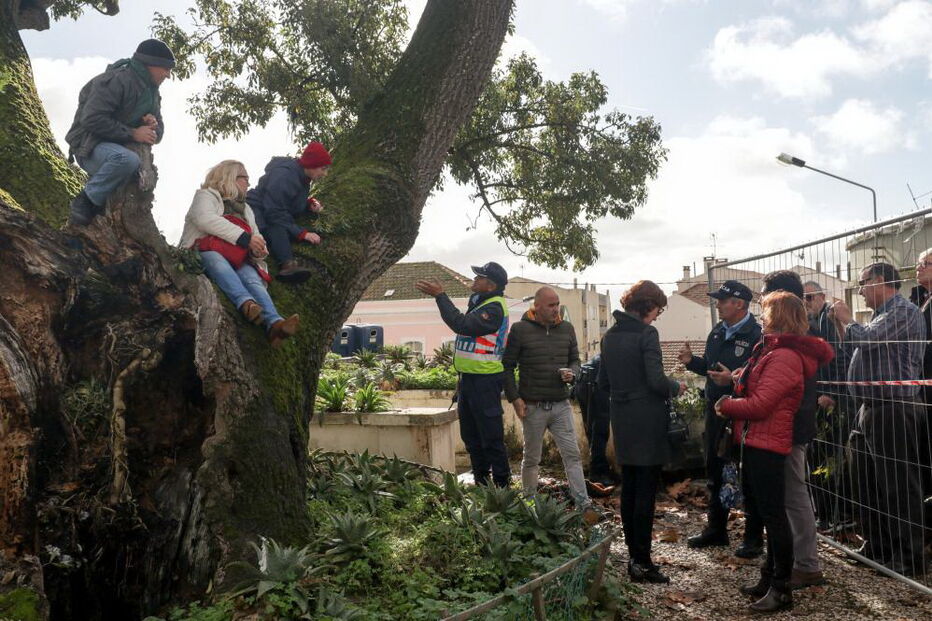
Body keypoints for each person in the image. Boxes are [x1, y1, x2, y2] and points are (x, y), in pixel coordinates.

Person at [718, 291, 833, 613]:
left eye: (765, 311)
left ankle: (781, 588)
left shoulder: (784, 356)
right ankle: (770, 578)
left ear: (777, 316)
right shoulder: (773, 350)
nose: (761, 317)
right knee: (769, 514)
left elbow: (762, 403)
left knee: (776, 516)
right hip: (759, 440)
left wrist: (725, 406)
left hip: (770, 442)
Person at [830, 263, 926, 577]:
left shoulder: (904, 311)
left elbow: (868, 340)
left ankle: (908, 557)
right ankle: (878, 546)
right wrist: (845, 326)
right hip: (869, 408)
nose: (859, 290)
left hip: (893, 408)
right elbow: (860, 343)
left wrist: (847, 320)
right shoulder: (880, 315)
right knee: (867, 481)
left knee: (897, 483)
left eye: (862, 283)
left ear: (881, 280)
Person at [599, 280, 687, 584]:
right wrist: (677, 386)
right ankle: (643, 562)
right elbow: (656, 381)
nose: (656, 316)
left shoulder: (609, 336)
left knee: (630, 488)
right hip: (647, 418)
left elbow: (603, 383)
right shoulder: (647, 334)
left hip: (621, 418)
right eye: (657, 310)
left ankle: (634, 558)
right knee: (646, 492)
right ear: (647, 306)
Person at [679, 280, 763, 557]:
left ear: (739, 304)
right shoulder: (717, 332)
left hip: (743, 414)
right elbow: (711, 369)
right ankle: (716, 530)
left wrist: (733, 379)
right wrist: (692, 362)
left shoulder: (756, 335)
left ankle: (753, 539)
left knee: (748, 475)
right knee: (714, 470)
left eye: (722, 300)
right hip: (715, 413)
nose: (717, 304)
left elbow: (760, 378)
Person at [179, 160, 300, 347]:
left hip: (237, 256)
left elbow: (255, 234)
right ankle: (246, 304)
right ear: (230, 177)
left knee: (251, 276)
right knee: (216, 259)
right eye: (245, 178)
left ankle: (275, 323)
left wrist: (259, 248)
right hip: (203, 251)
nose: (248, 183)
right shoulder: (206, 196)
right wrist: (245, 239)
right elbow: (205, 219)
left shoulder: (246, 208)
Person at [502, 287, 598, 520]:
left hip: (560, 405)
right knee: (532, 458)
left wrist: (572, 374)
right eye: (551, 305)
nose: (556, 309)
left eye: (557, 304)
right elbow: (506, 367)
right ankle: (529, 504)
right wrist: (515, 399)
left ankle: (583, 505)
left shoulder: (566, 329)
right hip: (532, 406)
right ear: (537, 305)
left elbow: (575, 360)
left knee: (573, 456)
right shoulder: (520, 330)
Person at [415, 262, 511, 487]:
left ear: (490, 285)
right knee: (471, 438)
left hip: (486, 382)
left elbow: (462, 325)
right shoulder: (480, 303)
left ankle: (503, 490)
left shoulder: (494, 308)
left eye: (480, 277)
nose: (474, 280)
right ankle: (482, 485)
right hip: (468, 381)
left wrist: (441, 296)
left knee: (491, 439)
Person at [759, 272, 825, 590]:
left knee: (795, 497)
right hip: (788, 426)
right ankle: (794, 563)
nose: (760, 301)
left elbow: (788, 388)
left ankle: (807, 565)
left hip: (790, 428)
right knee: (790, 496)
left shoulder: (798, 336)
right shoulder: (794, 334)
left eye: (765, 296)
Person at [65, 39, 175, 226]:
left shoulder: (153, 94)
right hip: (89, 147)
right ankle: (84, 202)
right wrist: (133, 133)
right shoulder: (117, 80)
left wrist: (153, 125)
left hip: (116, 152)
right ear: (150, 64)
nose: (168, 74)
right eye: (165, 68)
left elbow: (160, 134)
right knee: (127, 160)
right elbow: (91, 119)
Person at [803, 280, 856, 537]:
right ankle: (829, 514)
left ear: (822, 296)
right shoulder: (820, 320)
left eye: (810, 297)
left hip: (833, 400)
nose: (807, 303)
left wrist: (830, 393)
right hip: (826, 398)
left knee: (827, 459)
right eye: (803, 299)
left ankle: (833, 516)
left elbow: (841, 358)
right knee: (822, 458)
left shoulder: (827, 321)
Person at [245, 141, 331, 283]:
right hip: (258, 212)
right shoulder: (285, 175)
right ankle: (287, 265)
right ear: (312, 164)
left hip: (270, 212)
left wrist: (307, 204)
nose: (325, 174)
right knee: (276, 229)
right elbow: (274, 211)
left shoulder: (303, 178)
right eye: (323, 169)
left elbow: (287, 202)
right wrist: (302, 233)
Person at [574, 353, 615, 486]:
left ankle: (599, 469)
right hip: (593, 383)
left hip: (585, 380)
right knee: (599, 429)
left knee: (593, 429)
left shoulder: (616, 340)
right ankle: (598, 473)